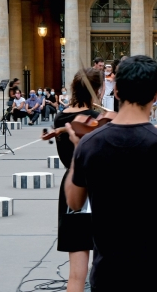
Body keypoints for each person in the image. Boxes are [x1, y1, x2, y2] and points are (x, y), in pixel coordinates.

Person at [64, 55, 157, 291]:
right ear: (156, 95)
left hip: (108, 273)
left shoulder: (89, 144)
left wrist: (77, 150)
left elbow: (74, 201)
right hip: (156, 272)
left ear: (118, 91)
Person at [54, 68, 103, 292]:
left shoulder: (61, 116)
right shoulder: (97, 119)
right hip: (98, 188)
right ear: (98, 91)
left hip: (71, 183)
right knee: (106, 267)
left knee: (76, 274)